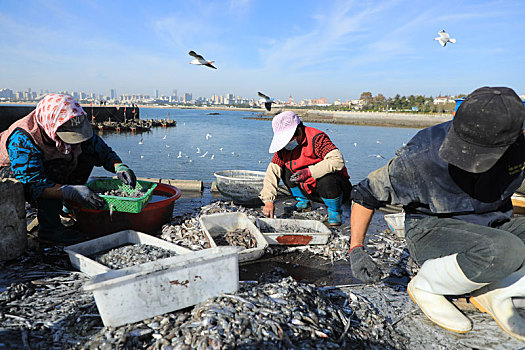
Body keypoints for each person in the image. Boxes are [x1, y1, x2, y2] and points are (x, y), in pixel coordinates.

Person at [349, 86, 525, 341]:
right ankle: (427, 287)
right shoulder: (421, 155)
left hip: (492, 223)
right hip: (432, 229)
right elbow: (366, 194)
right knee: (505, 250)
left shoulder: (518, 147)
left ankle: (497, 292)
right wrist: (356, 249)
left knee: (504, 247)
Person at [0, 94, 136, 243]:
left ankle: (67, 206)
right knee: (53, 171)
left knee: (85, 155)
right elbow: (32, 183)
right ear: (52, 126)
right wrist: (70, 191)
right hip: (14, 175)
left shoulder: (75, 122)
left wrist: (119, 166)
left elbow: (101, 151)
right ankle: (50, 229)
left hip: (55, 166)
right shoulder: (23, 138)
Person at [260, 111, 352, 226]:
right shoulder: (284, 148)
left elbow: (337, 161)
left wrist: (309, 172)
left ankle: (335, 211)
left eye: (289, 138)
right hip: (308, 189)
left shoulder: (317, 138)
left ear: (299, 130)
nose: (287, 143)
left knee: (328, 180)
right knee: (283, 169)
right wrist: (268, 201)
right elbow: (272, 171)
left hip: (335, 190)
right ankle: (303, 202)